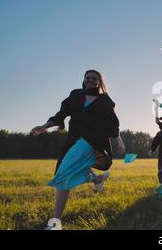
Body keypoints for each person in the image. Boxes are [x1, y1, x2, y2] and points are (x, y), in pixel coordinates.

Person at [31, 69, 125, 230]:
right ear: (83, 79)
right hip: (74, 139)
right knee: (68, 172)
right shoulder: (75, 95)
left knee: (63, 174)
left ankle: (55, 222)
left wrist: (119, 141)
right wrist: (44, 127)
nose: (90, 80)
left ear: (99, 82)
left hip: (94, 140)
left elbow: (113, 123)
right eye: (88, 77)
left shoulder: (104, 100)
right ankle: (97, 180)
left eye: (94, 78)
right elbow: (61, 114)